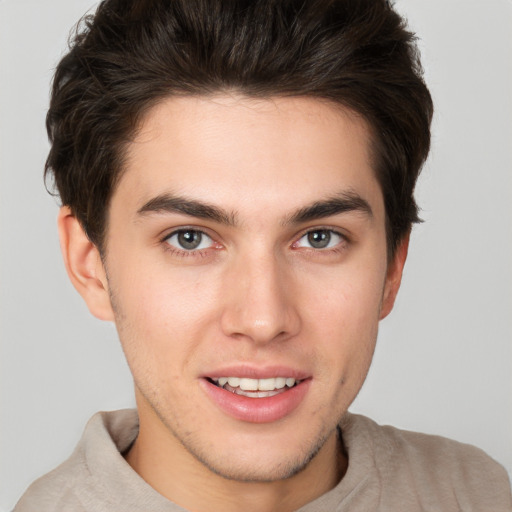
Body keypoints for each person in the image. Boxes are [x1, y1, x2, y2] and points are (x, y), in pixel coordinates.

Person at [13, 0, 512, 510]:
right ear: (89, 263)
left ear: (392, 266)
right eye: (190, 238)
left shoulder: (478, 494)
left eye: (320, 238)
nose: (262, 319)